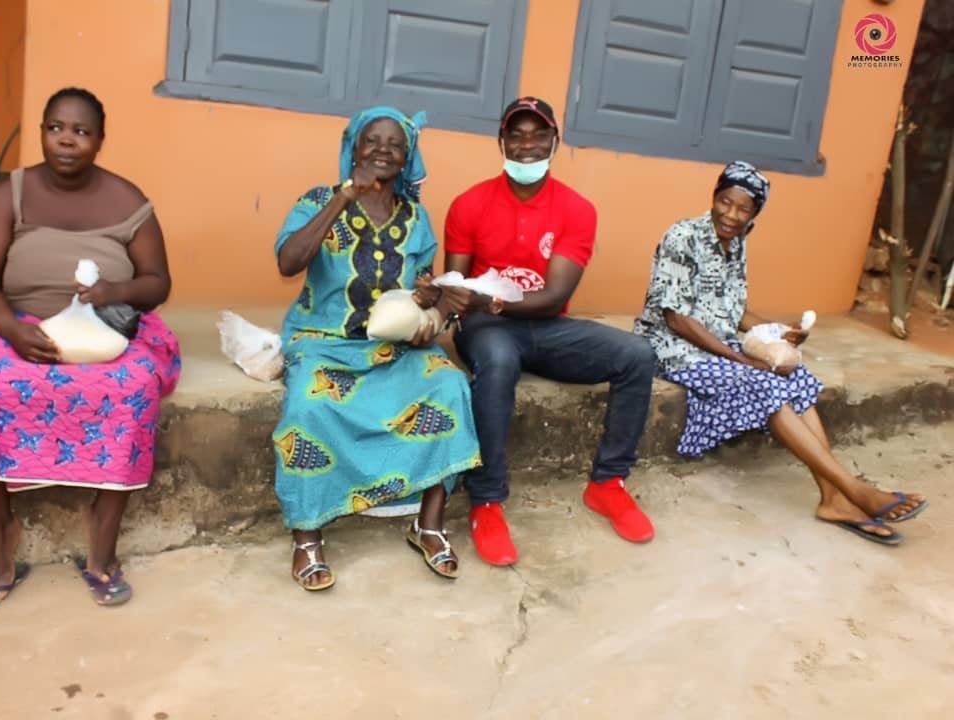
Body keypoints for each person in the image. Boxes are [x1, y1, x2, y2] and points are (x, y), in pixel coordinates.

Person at [0, 87, 181, 616]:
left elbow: (157, 283)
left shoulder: (128, 200)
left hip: (106, 326)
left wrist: (114, 294)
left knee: (132, 385)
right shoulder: (10, 193)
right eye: (56, 127)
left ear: (100, 140)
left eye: (81, 131)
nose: (67, 141)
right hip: (25, 327)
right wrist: (10, 329)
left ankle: (102, 547)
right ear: (42, 131)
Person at [634, 160, 927, 545]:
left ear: (755, 213)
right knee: (764, 384)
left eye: (744, 209)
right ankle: (855, 490)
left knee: (797, 376)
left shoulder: (735, 242)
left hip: (717, 345)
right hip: (673, 348)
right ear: (714, 196)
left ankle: (832, 497)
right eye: (725, 202)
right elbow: (676, 319)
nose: (731, 215)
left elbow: (732, 309)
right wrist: (743, 360)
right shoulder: (683, 236)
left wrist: (775, 333)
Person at [441, 97, 658, 567]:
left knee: (637, 355)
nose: (526, 146)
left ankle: (607, 484)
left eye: (538, 135)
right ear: (501, 142)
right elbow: (455, 288)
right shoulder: (469, 204)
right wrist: (455, 301)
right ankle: (487, 501)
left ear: (555, 142)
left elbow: (555, 297)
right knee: (497, 360)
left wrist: (484, 296)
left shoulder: (576, 209)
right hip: (486, 328)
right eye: (516, 136)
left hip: (546, 324)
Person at [274, 106, 481, 590]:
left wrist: (431, 304)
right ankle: (307, 535)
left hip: (391, 347)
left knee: (450, 385)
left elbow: (418, 289)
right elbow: (288, 261)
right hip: (322, 342)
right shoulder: (318, 199)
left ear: (408, 158)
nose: (383, 151)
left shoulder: (415, 218)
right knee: (308, 404)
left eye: (395, 144)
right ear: (353, 148)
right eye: (373, 141)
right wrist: (345, 197)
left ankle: (427, 524)